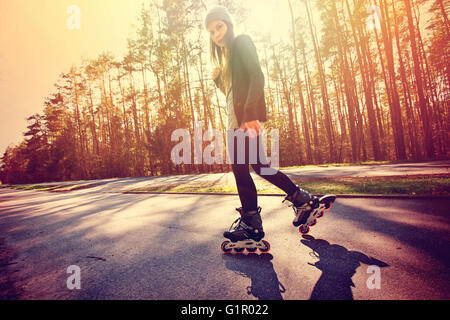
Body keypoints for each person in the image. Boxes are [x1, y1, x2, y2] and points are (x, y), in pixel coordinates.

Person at [204, 6, 335, 253]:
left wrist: (251, 114)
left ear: (228, 25)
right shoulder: (228, 60)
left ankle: (253, 222)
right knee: (258, 167)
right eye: (211, 32)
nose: (216, 34)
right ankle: (302, 201)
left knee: (244, 170)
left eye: (219, 27)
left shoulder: (242, 42)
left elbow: (257, 75)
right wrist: (218, 80)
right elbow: (234, 94)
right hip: (236, 122)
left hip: (245, 120)